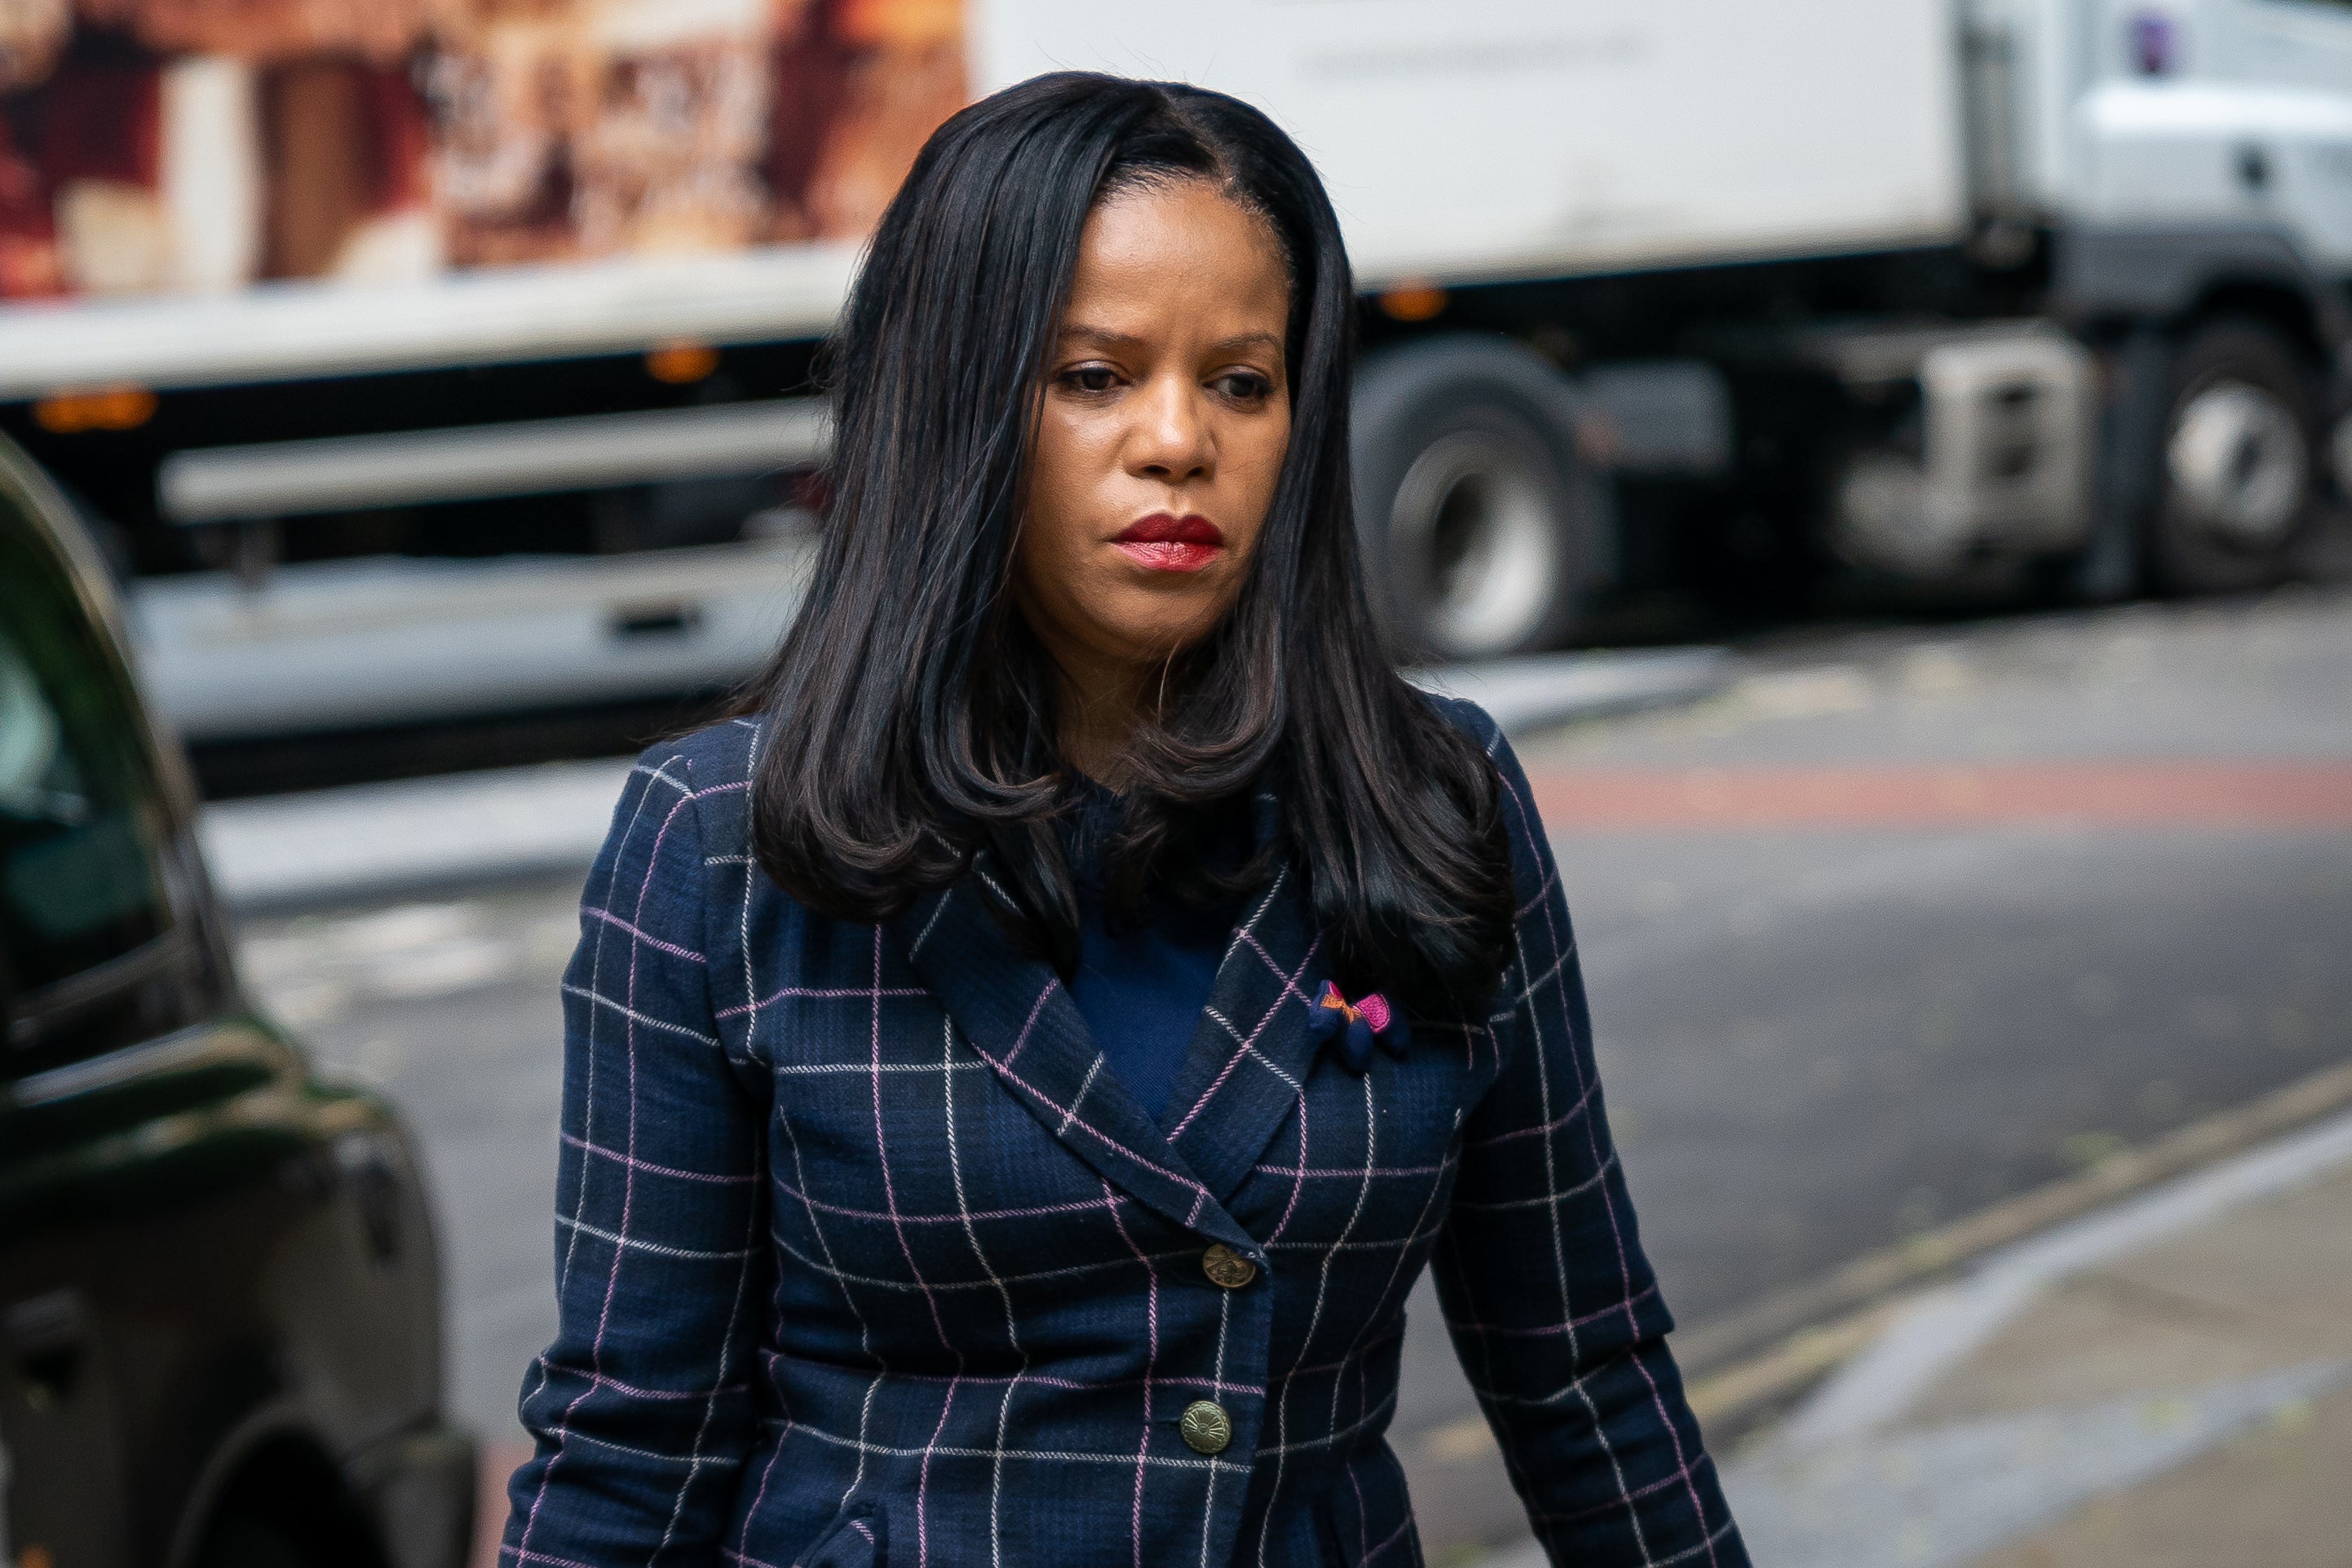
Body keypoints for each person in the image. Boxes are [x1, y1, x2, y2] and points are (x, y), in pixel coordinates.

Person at [502, 71, 1746, 1567]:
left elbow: (1584, 1376)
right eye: (1094, 376)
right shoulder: (717, 846)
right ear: (959, 402)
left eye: (1242, 380)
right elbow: (636, 1441)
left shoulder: (1435, 799)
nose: (1178, 443)